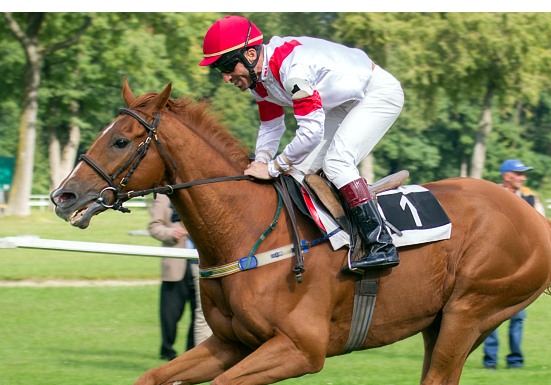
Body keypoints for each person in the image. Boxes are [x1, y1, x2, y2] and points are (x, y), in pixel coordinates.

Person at [199, 15, 405, 273]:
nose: (226, 78)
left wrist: (273, 168)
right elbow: (271, 126)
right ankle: (332, 243)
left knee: (336, 163)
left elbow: (311, 132)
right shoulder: (259, 83)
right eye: (219, 70)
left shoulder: (292, 69)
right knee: (298, 173)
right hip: (339, 103)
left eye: (227, 67)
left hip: (376, 93)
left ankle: (381, 244)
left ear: (250, 54)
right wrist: (261, 160)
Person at [483, 159, 545, 369]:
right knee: (489, 315)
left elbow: (543, 228)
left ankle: (515, 361)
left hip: (520, 265)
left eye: (523, 174)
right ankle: (490, 361)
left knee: (518, 315)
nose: (523, 178)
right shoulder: (491, 195)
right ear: (506, 175)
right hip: (492, 265)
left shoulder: (530, 198)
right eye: (519, 174)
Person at [148, 194, 210, 361]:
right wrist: (170, 232)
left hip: (201, 264)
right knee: (170, 313)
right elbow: (154, 226)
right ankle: (167, 349)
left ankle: (192, 350)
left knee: (200, 311)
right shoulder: (162, 198)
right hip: (175, 264)